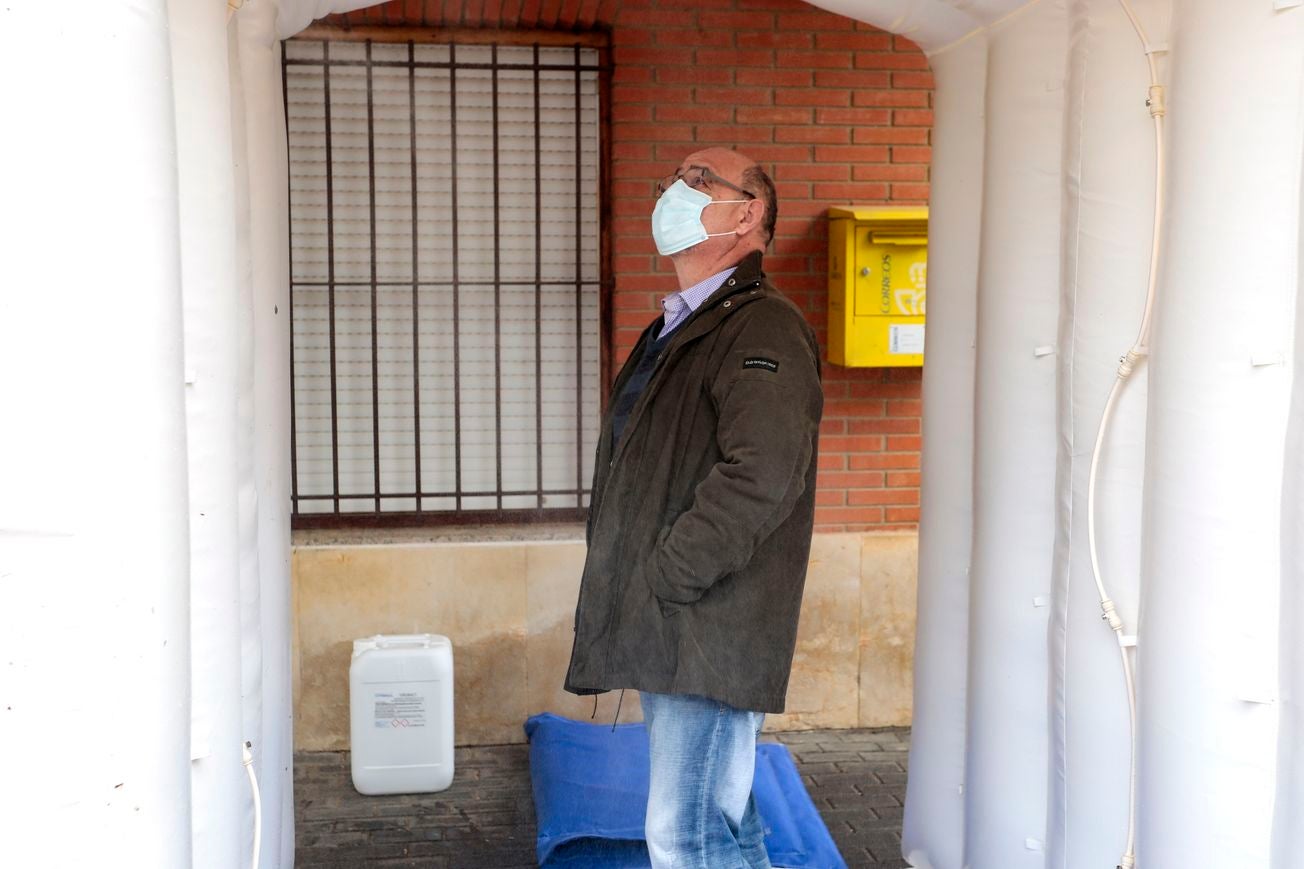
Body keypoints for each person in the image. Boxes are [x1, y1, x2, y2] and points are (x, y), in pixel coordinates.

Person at [564, 146, 824, 869]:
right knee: (724, 824)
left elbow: (762, 474)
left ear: (747, 214)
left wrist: (671, 574)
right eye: (673, 178)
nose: (675, 191)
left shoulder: (762, 327)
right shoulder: (684, 324)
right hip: (682, 620)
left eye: (699, 180)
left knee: (687, 836)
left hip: (706, 623)